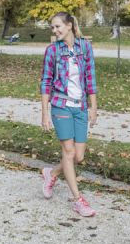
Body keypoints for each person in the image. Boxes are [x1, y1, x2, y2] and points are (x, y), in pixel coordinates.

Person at [40, 12, 98, 216]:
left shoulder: (85, 47)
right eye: (52, 28)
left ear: (70, 25)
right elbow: (46, 82)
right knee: (69, 152)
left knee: (79, 156)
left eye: (58, 27)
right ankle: (78, 200)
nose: (55, 31)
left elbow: (90, 77)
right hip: (60, 106)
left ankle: (52, 173)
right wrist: (45, 113)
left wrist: (93, 107)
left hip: (80, 106)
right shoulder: (52, 51)